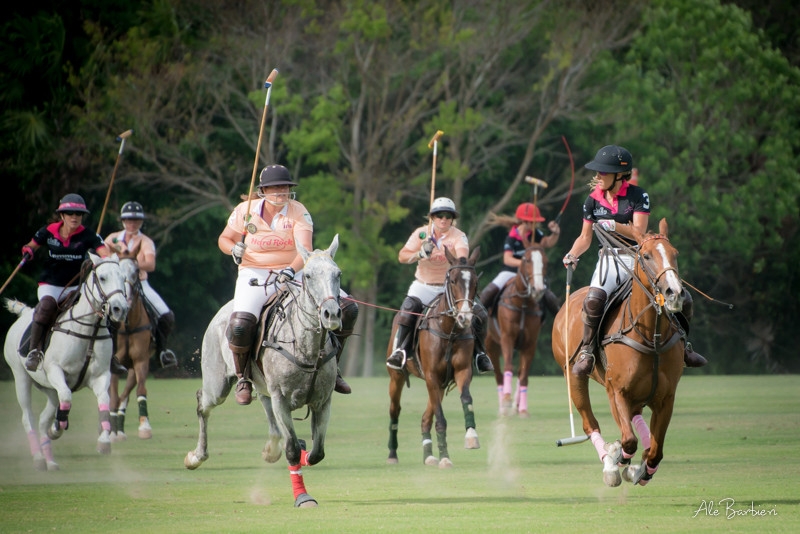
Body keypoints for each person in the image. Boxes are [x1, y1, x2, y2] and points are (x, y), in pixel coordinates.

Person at [561, 145, 707, 376]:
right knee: (593, 300)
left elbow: (639, 231)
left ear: (619, 175)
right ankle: (587, 352)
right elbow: (585, 237)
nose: (598, 176)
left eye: (603, 172)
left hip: (637, 259)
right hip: (609, 261)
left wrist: (613, 225)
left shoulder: (638, 196)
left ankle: (684, 347)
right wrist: (572, 254)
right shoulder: (592, 200)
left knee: (683, 297)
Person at [218, 164, 355, 405]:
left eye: (285, 186)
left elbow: (305, 250)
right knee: (240, 325)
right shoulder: (245, 211)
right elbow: (224, 239)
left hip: (294, 271)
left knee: (348, 308)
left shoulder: (298, 211)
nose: (281, 191)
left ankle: (334, 369)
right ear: (263, 190)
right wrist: (234, 249)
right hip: (254, 273)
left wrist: (291, 270)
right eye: (275, 187)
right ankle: (243, 378)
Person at [19, 193, 127, 375]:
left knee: (106, 310)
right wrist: (28, 251)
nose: (74, 217)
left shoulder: (88, 235)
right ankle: (34, 351)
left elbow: (105, 253)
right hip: (51, 284)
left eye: (78, 214)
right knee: (46, 307)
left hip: (77, 286)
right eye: (70, 213)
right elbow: (31, 245)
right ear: (62, 215)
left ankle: (110, 358)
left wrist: (104, 261)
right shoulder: (49, 231)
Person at [386, 197, 494, 374]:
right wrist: (420, 253)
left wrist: (457, 258)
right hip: (423, 285)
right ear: (432, 217)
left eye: (448, 216)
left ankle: (480, 354)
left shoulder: (458, 236)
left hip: (449, 288)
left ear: (452, 218)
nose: (443, 219)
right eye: (439, 215)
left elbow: (462, 258)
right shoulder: (421, 234)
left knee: (480, 313)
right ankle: (399, 351)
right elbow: (402, 256)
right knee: (407, 310)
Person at [104, 201, 178, 369]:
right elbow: (103, 254)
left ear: (141, 222)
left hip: (140, 284)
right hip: (116, 286)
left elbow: (150, 264)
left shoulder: (145, 241)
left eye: (136, 220)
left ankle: (162, 351)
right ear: (123, 221)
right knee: (101, 313)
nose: (132, 223)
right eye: (129, 220)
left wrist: (129, 263)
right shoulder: (113, 238)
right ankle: (101, 350)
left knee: (166, 315)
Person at [478, 202, 562, 319]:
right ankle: (476, 317)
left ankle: (561, 319)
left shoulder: (536, 233)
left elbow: (547, 243)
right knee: (491, 289)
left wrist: (555, 233)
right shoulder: (513, 235)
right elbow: (507, 259)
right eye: (532, 222)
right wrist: (526, 264)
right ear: (524, 221)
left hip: (531, 273)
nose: (534, 224)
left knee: (548, 294)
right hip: (510, 271)